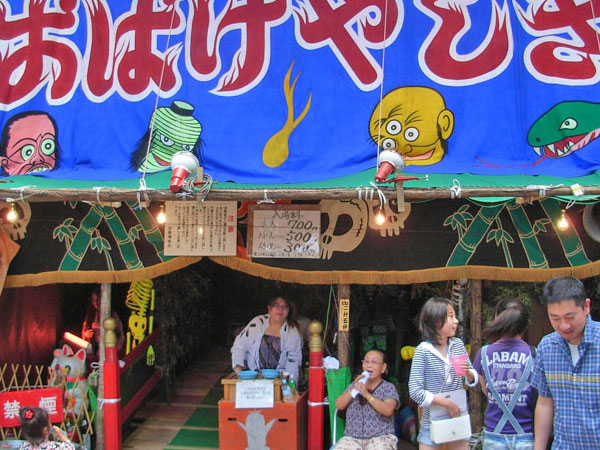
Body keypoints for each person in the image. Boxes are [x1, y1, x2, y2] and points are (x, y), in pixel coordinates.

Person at [531, 276, 600, 449]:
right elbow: (544, 403)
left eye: (570, 317)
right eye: (555, 318)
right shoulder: (547, 347)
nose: (564, 326)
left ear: (586, 306)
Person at [409, 297, 478, 450]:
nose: (456, 321)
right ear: (436, 321)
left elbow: (472, 378)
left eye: (455, 316)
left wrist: (468, 373)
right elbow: (415, 391)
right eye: (451, 316)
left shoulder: (457, 345)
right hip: (432, 421)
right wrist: (446, 404)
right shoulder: (423, 351)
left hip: (457, 418)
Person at [473, 298, 536, 449]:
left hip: (494, 435)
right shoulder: (535, 355)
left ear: (497, 319)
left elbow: (486, 390)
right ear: (526, 324)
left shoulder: (484, 353)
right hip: (525, 436)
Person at [333, 349, 399, 449]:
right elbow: (339, 405)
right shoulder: (355, 385)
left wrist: (367, 394)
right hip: (352, 438)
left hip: (381, 438)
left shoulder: (388, 387)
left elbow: (388, 410)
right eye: (366, 361)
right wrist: (353, 389)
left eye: (374, 362)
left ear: (383, 367)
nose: (369, 365)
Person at [231, 294, 302, 381]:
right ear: (269, 309)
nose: (280, 310)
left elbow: (293, 360)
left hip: (279, 380)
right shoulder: (258, 323)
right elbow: (240, 346)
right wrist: (239, 372)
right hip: (252, 378)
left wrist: (291, 383)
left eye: (285, 307)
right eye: (277, 306)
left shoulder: (292, 332)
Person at [81, 287, 125, 359]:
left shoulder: (111, 315)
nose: (95, 302)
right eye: (93, 300)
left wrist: (102, 327)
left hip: (108, 351)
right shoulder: (90, 315)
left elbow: (119, 335)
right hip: (94, 351)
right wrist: (86, 335)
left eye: (98, 300)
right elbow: (84, 334)